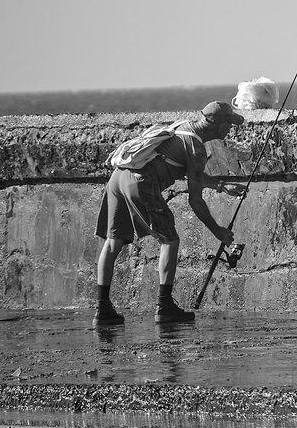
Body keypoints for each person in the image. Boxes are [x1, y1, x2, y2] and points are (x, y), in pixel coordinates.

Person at [93, 101, 247, 325]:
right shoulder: (197, 149)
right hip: (140, 182)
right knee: (170, 240)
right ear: (217, 125)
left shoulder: (182, 127)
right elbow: (195, 200)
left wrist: (221, 186)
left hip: (119, 177)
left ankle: (102, 309)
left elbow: (191, 173)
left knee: (113, 242)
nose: (230, 129)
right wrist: (218, 232)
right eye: (229, 124)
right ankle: (164, 307)